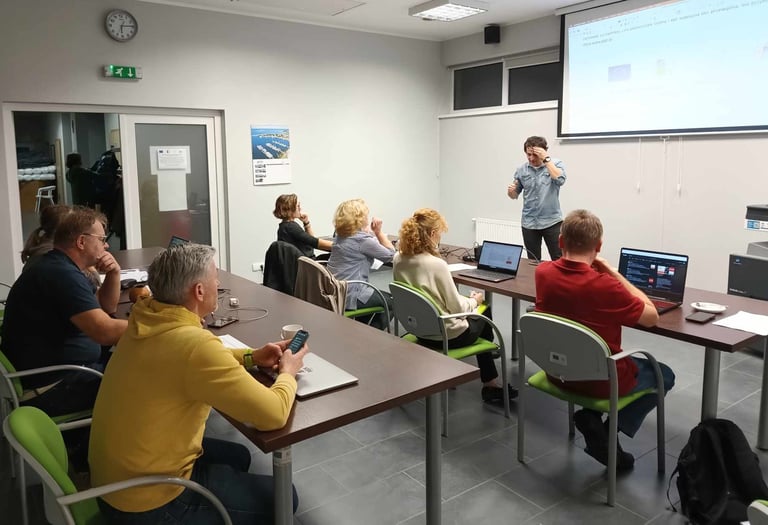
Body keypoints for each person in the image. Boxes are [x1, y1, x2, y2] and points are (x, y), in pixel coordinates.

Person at [89, 243, 307, 524]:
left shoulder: (144, 320)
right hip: (149, 503)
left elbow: (189, 357)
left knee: (239, 456)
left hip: (115, 483)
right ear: (199, 291)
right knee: (285, 497)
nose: (219, 284)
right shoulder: (194, 346)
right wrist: (288, 371)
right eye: (216, 278)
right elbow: (273, 414)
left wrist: (252, 356)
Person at [534, 209, 675, 470]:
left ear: (560, 241)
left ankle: (593, 419)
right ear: (598, 246)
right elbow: (651, 317)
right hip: (600, 381)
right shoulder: (606, 286)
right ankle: (608, 434)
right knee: (664, 374)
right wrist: (614, 273)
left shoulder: (542, 273)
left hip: (557, 371)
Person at [0, 206, 127, 467]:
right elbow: (104, 331)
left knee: (133, 362)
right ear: (81, 242)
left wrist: (114, 273)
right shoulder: (60, 274)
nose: (106, 245)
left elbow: (105, 308)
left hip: (57, 372)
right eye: (102, 239)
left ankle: (92, 449)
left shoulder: (59, 265)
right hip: (53, 387)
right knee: (142, 382)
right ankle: (98, 459)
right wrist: (159, 325)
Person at [393, 209, 518, 406]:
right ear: (432, 234)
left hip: (419, 330)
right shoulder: (436, 265)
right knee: (484, 309)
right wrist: (475, 300)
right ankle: (490, 381)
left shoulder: (398, 258)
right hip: (447, 336)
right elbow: (457, 308)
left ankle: (485, 355)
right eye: (439, 234)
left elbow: (427, 295)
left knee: (473, 311)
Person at [327, 198, 395, 330]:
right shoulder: (363, 241)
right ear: (359, 218)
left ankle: (359, 330)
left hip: (335, 291)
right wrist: (378, 232)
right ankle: (371, 335)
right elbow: (391, 256)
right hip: (352, 294)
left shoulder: (339, 236)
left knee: (372, 299)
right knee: (392, 303)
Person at [507, 135, 567, 261]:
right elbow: (514, 195)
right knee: (533, 261)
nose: (531, 158)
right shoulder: (521, 170)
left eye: (535, 155)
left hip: (552, 222)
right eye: (528, 154)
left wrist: (546, 159)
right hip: (529, 223)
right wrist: (511, 192)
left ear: (544, 152)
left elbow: (560, 180)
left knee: (559, 259)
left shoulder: (556, 164)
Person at [20, 204, 102, 288]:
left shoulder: (41, 251)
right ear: (64, 228)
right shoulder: (54, 258)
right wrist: (88, 265)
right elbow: (92, 285)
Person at [273, 193, 333, 258]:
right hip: (306, 262)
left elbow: (310, 239)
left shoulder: (284, 226)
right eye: (298, 206)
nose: (300, 209)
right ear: (289, 209)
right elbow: (314, 242)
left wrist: (306, 223)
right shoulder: (291, 227)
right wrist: (338, 246)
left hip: (304, 261)